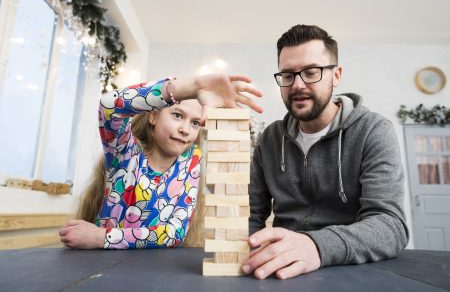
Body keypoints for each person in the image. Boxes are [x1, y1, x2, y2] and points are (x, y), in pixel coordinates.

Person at [244, 24, 408, 279]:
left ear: (337, 75)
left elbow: (390, 226)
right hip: (280, 272)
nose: (297, 85)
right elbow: (252, 215)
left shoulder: (373, 131)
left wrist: (315, 246)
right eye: (287, 75)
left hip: (350, 270)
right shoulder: (270, 138)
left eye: (311, 72)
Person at [59, 74, 263, 249]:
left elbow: (174, 234)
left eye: (194, 122)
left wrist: (102, 237)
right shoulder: (125, 152)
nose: (185, 129)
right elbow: (109, 105)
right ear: (153, 117)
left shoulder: (191, 164)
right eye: (177, 115)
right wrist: (191, 87)